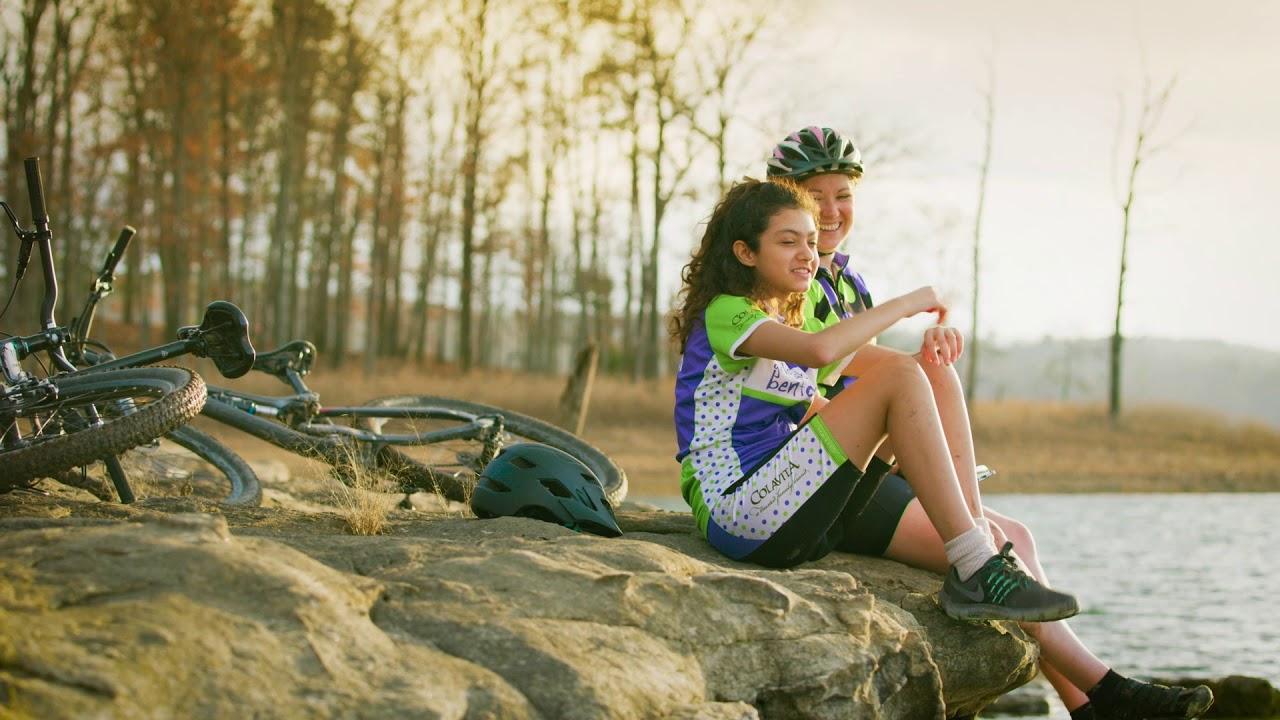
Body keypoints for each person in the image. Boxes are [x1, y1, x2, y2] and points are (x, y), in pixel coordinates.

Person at [764, 125, 1214, 720]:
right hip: (823, 476)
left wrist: (923, 392)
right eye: (813, 195)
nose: (830, 210)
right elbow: (799, 393)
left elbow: (868, 377)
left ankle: (1084, 704)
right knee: (994, 543)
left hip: (874, 461)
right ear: (782, 200)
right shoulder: (785, 285)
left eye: (842, 195)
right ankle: (1108, 694)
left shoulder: (845, 282)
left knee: (1018, 536)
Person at [670, 177, 1079, 625]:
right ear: (746, 252)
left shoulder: (789, 322)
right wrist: (908, 303)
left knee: (926, 370)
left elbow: (902, 378)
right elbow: (822, 351)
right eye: (788, 242)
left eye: (810, 241)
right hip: (738, 509)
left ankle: (975, 547)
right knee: (901, 376)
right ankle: (974, 563)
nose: (807, 254)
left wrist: (933, 349)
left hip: (792, 514)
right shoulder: (727, 313)